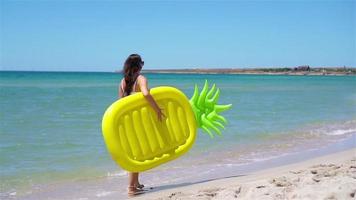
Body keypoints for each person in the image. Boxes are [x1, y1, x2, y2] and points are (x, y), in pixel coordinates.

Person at [118, 54, 165, 196]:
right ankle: (131, 188)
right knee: (137, 155)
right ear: (138, 65)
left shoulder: (123, 82)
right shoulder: (141, 79)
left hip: (126, 122)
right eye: (142, 63)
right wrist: (157, 110)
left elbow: (119, 103)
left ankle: (136, 184)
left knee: (135, 153)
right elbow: (145, 94)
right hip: (138, 121)